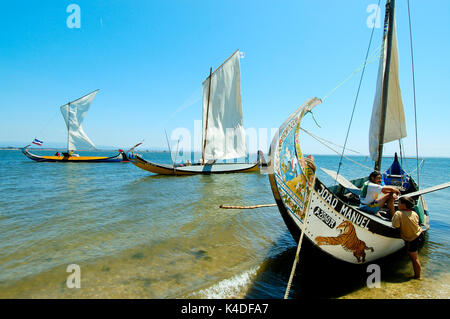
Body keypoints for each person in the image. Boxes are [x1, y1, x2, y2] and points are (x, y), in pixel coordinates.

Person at [392, 196, 423, 279]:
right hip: (419, 234)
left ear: (404, 205)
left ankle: (417, 277)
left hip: (412, 238)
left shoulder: (398, 213)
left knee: (414, 258)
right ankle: (417, 277)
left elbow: (395, 225)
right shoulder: (414, 213)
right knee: (413, 256)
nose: (397, 204)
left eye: (399, 203)